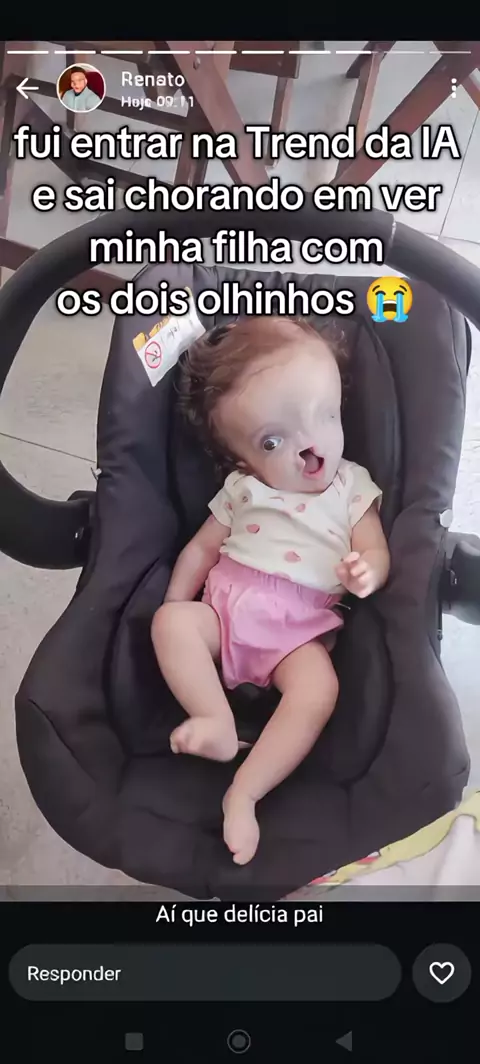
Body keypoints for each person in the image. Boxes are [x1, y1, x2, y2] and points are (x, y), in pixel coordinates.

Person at [151, 317, 390, 866]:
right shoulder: (242, 489)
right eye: (273, 440)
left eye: (326, 415)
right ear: (244, 459)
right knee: (170, 625)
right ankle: (215, 720)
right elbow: (200, 551)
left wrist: (367, 573)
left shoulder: (352, 487)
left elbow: (376, 550)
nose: (311, 444)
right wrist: (175, 605)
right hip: (223, 613)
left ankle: (245, 792)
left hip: (296, 634)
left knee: (318, 690)